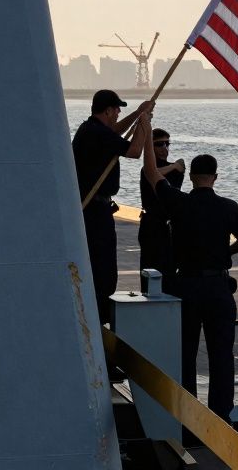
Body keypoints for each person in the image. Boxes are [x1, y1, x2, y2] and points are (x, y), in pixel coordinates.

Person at [145, 149, 238, 422]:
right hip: (218, 286)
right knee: (221, 356)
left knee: (186, 354)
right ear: (215, 178)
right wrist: (225, 253)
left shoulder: (179, 202)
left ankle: (188, 415)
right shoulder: (229, 207)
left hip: (187, 285)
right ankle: (220, 417)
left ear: (192, 177)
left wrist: (146, 130)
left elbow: (151, 172)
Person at [72, 89, 154, 326]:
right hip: (95, 211)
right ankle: (99, 317)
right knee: (103, 268)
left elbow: (114, 132)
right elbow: (134, 151)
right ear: (108, 110)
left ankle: (98, 314)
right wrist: (143, 124)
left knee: (101, 265)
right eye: (117, 109)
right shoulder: (96, 133)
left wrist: (139, 113)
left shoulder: (92, 129)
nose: (119, 113)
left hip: (94, 208)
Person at [139, 128, 185, 292]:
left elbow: (175, 170)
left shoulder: (175, 168)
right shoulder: (149, 170)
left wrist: (173, 167)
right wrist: (173, 166)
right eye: (159, 144)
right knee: (149, 267)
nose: (164, 148)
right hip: (151, 223)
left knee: (168, 269)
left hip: (168, 224)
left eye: (167, 144)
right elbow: (150, 172)